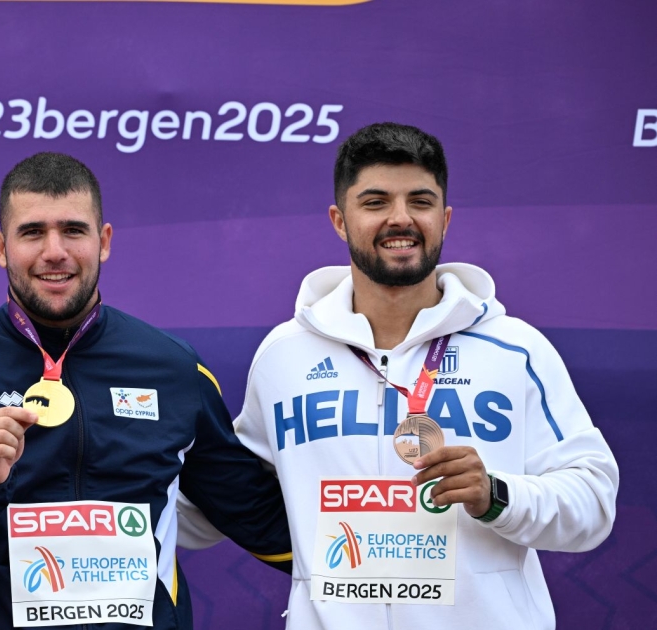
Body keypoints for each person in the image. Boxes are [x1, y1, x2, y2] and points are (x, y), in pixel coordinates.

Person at [194, 122, 618, 629]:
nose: (401, 218)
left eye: (420, 201)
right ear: (339, 220)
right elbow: (224, 495)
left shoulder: (516, 349)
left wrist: (496, 495)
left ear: (445, 218)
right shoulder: (284, 356)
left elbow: (593, 503)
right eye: (375, 202)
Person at [0, 152, 292, 629]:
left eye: (74, 230)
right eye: (32, 232)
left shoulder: (175, 370)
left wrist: (370, 548)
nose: (54, 251)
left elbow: (255, 515)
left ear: (104, 241)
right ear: (1, 247)